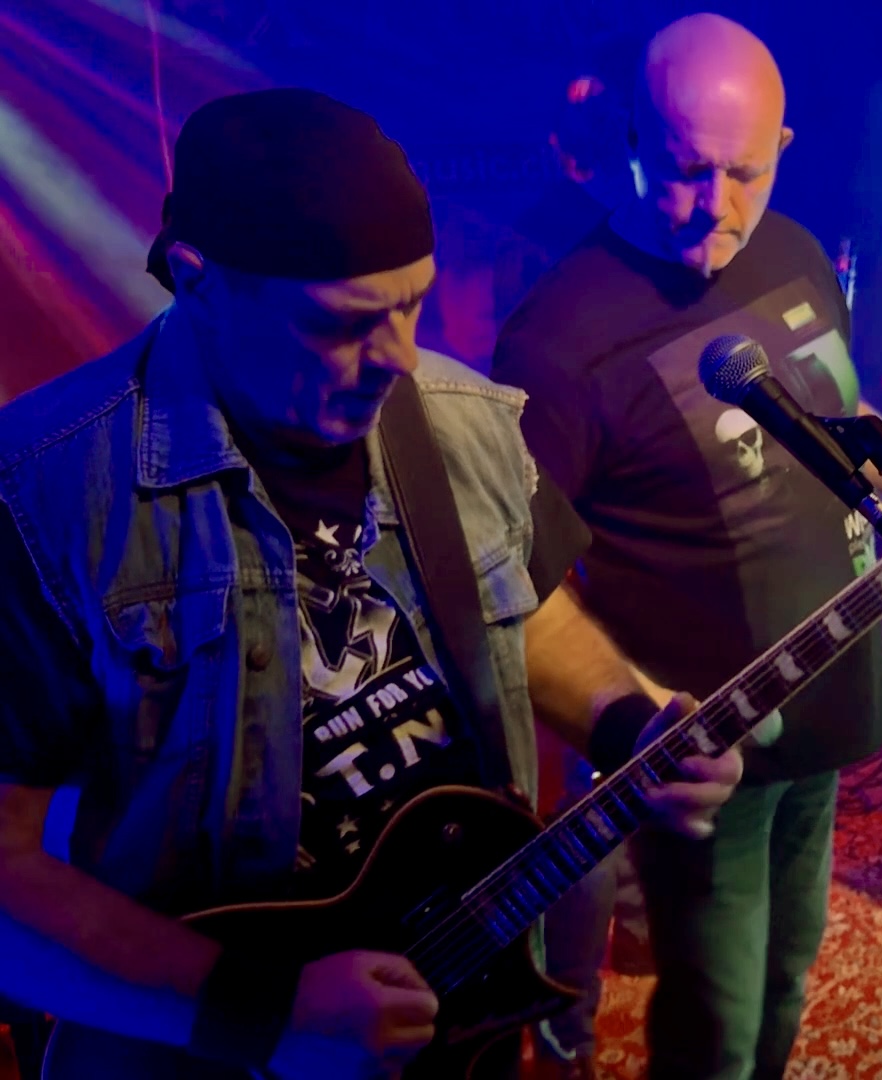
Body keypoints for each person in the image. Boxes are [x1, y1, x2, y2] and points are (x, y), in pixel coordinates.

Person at [0, 88, 741, 1080]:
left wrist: (629, 722)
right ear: (199, 282)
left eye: (413, 304)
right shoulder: (44, 493)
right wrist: (263, 1015)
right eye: (342, 323)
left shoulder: (462, 419)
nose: (397, 359)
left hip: (459, 996)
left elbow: (524, 615)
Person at [492, 15, 882, 1080]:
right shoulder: (561, 335)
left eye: (744, 173)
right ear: (631, 137)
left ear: (784, 150)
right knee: (715, 1026)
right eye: (683, 170)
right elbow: (512, 576)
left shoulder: (799, 251)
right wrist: (625, 715)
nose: (712, 207)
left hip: (827, 692)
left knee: (789, 977)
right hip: (703, 745)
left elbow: (841, 426)